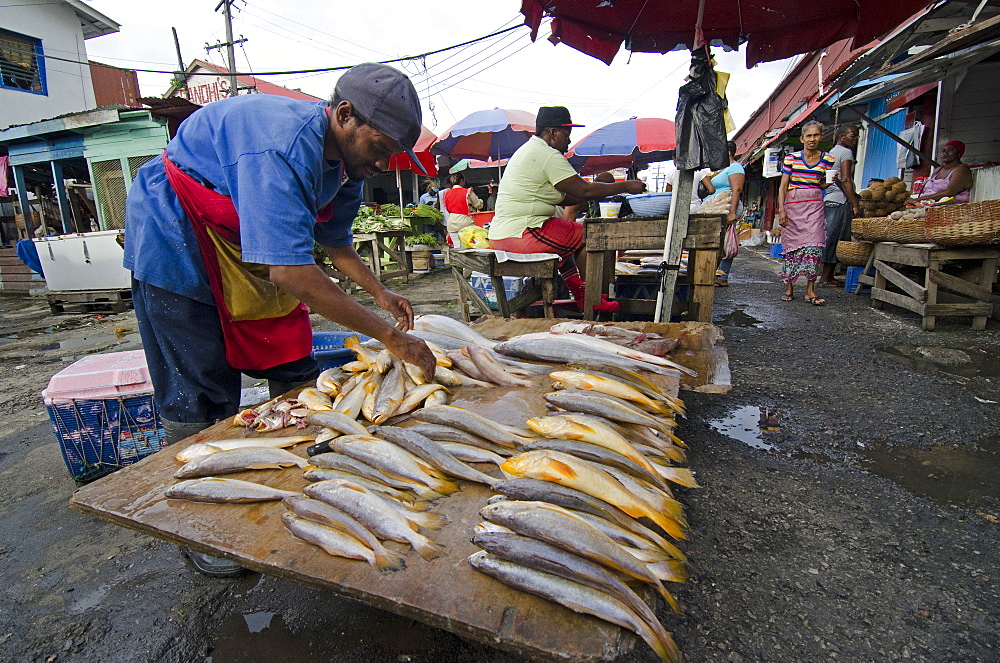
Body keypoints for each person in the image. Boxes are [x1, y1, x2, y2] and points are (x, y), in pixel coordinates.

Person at [123, 62, 436, 576]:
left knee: (291, 360)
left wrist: (380, 293)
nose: (383, 164)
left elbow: (333, 241)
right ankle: (196, 519)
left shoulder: (349, 165)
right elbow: (290, 270)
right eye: (380, 149)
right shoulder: (279, 144)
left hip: (244, 243)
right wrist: (389, 336)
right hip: (176, 232)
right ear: (343, 115)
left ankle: (296, 470)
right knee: (200, 383)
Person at [488, 106, 645, 311]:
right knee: (591, 234)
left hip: (507, 232)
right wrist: (627, 186)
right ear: (552, 132)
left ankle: (582, 295)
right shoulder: (545, 154)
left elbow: (571, 195)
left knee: (567, 237)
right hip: (522, 233)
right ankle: (593, 298)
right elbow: (584, 190)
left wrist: (597, 191)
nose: (569, 141)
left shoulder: (530, 150)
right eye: (567, 134)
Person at [776, 120, 835, 306]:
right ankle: (789, 287)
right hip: (793, 205)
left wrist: (831, 182)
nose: (812, 139)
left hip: (815, 206)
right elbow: (783, 186)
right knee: (792, 247)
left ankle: (810, 290)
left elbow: (822, 183)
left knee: (814, 246)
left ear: (821, 137)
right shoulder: (791, 158)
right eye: (808, 136)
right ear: (802, 138)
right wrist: (781, 210)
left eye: (816, 135)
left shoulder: (828, 159)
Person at [819, 125, 861, 287]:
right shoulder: (845, 153)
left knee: (830, 237)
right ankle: (826, 277)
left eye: (856, 137)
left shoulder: (831, 153)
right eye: (852, 136)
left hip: (829, 199)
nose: (855, 140)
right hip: (840, 201)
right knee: (836, 239)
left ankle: (827, 276)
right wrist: (855, 204)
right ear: (842, 137)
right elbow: (846, 180)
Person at [699, 141, 745, 287]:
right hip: (719, 208)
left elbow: (736, 190)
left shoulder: (735, 167)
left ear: (728, 152)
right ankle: (716, 274)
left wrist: (732, 212)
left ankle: (722, 276)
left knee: (725, 242)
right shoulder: (722, 169)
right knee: (718, 242)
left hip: (728, 208)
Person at [909, 140, 973, 204]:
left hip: (949, 207)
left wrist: (919, 199)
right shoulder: (938, 170)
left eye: (951, 150)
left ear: (959, 154)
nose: (945, 153)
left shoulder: (961, 171)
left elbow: (949, 192)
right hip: (928, 204)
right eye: (944, 151)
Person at [442, 172, 482, 246]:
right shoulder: (467, 192)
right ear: (461, 181)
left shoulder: (446, 193)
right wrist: (480, 202)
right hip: (465, 222)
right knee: (472, 245)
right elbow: (478, 204)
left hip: (451, 222)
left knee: (456, 246)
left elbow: (447, 207)